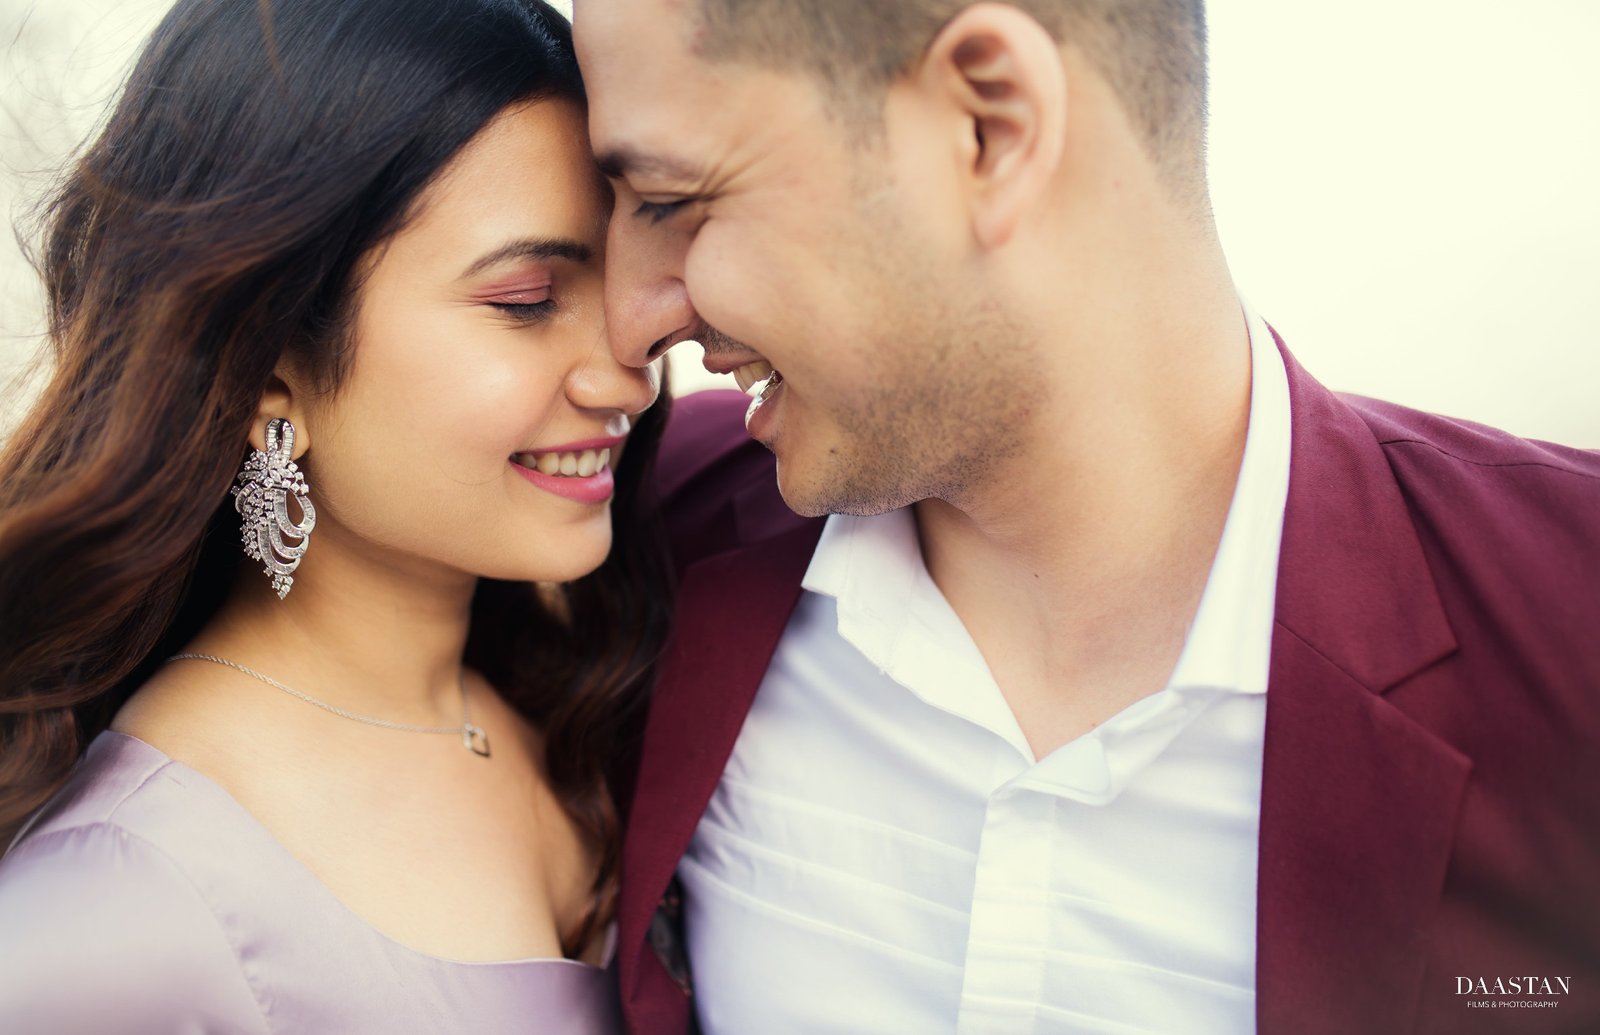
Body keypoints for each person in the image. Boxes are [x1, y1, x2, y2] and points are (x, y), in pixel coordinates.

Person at [572, 1, 1600, 1032]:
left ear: (989, 124)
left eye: (672, 199)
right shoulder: (641, 521)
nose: (631, 319)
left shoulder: (1569, 618)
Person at [0, 1, 669, 1031]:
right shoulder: (120, 904)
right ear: (271, 377)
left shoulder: (566, 701)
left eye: (622, 289)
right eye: (530, 299)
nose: (626, 372)